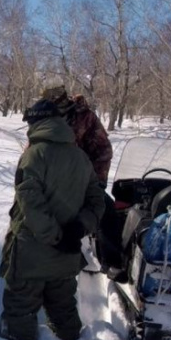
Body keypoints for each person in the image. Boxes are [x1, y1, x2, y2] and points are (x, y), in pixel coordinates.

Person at [0, 99, 106, 340]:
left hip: (31, 254)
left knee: (20, 311)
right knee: (64, 310)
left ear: (38, 122)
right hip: (66, 254)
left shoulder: (33, 155)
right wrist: (76, 230)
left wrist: (55, 236)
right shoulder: (80, 157)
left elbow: (30, 204)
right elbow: (98, 202)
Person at [41, 82, 125, 280]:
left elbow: (103, 150)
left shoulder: (85, 117)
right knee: (29, 208)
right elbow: (33, 150)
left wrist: (97, 180)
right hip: (51, 179)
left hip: (84, 179)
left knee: (106, 210)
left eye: (58, 101)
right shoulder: (43, 118)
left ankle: (112, 261)